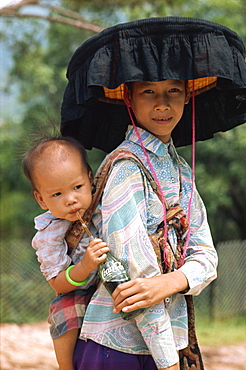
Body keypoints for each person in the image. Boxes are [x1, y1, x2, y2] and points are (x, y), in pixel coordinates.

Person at [71, 79, 218, 370]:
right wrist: (167, 363)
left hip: (169, 345)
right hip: (118, 349)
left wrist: (171, 281)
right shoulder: (125, 168)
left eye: (173, 90)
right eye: (148, 91)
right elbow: (135, 275)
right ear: (128, 97)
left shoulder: (182, 171)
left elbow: (207, 256)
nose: (162, 103)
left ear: (188, 95)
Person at [22, 136, 110, 370]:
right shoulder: (48, 234)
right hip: (78, 292)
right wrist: (84, 267)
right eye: (57, 195)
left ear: (90, 180)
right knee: (63, 311)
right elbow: (58, 285)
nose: (71, 200)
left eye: (77, 187)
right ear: (41, 199)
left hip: (112, 289)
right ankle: (65, 366)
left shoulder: (107, 203)